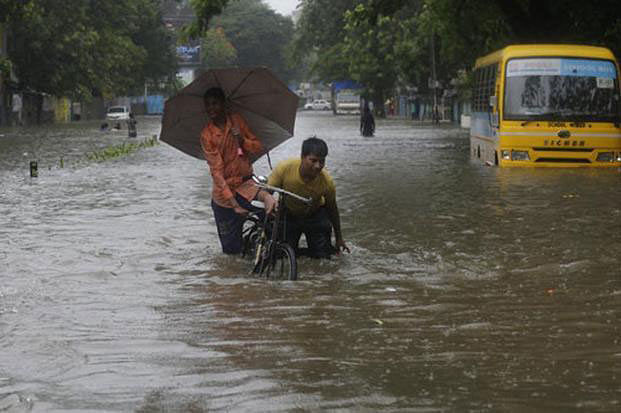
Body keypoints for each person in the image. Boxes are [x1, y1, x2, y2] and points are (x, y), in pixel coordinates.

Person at [200, 87, 275, 254]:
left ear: (224, 104)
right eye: (208, 105)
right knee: (231, 252)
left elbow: (257, 147)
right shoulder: (207, 135)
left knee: (271, 218)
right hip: (224, 197)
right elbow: (217, 173)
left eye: (215, 103)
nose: (211, 108)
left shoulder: (237, 121)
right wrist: (233, 204)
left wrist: (242, 140)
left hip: (246, 184)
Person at [268, 137, 350, 258]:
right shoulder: (284, 169)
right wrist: (267, 199)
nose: (317, 166)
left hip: (315, 215)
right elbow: (265, 192)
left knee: (323, 258)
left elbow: (332, 209)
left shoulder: (326, 181)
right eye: (313, 160)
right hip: (289, 214)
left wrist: (339, 238)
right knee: (282, 256)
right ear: (302, 157)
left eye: (321, 161)